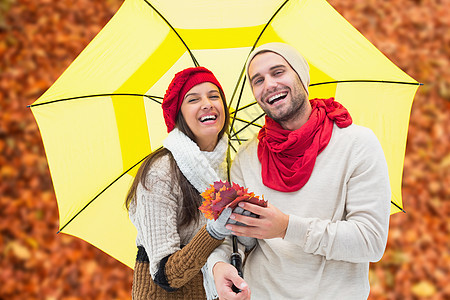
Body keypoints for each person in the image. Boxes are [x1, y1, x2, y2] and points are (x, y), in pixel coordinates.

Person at [207, 42, 391, 299]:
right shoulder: (245, 159)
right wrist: (218, 265)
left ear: (302, 77)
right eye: (257, 80)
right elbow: (232, 235)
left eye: (278, 72)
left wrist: (286, 228)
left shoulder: (356, 144)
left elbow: (370, 241)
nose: (268, 84)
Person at [125, 66, 236, 299]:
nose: (207, 103)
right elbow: (166, 275)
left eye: (214, 96)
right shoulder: (160, 172)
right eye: (193, 99)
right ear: (179, 115)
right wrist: (214, 231)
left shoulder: (229, 167)